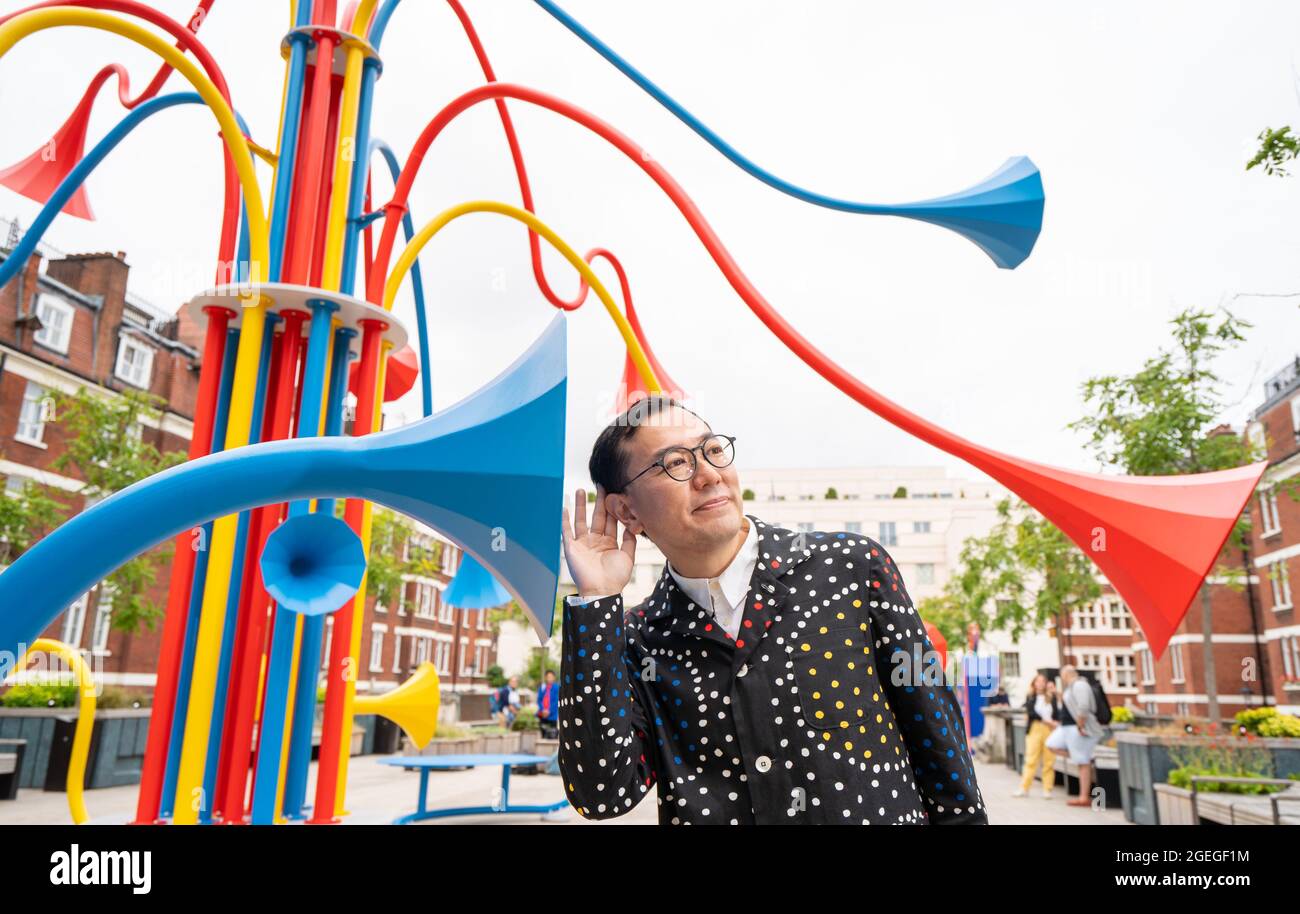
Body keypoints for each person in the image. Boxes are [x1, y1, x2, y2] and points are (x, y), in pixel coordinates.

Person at [558, 395, 986, 824]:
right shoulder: (637, 638)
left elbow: (940, 746)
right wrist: (597, 602)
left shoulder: (851, 568)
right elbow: (602, 794)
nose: (708, 475)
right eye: (675, 463)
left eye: (711, 451)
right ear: (626, 511)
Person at [1047, 665, 1105, 807]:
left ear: (1066, 674)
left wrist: (1080, 725)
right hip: (1066, 727)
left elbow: (1083, 706)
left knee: (1083, 763)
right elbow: (1069, 702)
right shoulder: (1072, 687)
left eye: (1062, 676)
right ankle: (1080, 757)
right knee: (1051, 744)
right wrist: (1056, 693)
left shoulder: (1079, 684)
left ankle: (1084, 797)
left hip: (1077, 728)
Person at [1012, 673, 1059, 798]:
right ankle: (1024, 788)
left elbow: (1057, 713)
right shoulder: (1030, 697)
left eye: (1043, 681)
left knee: (1049, 760)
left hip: (1049, 730)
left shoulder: (1051, 697)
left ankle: (1047, 789)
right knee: (1031, 759)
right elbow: (1031, 713)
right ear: (1034, 683)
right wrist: (1046, 720)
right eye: (1038, 681)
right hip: (1035, 728)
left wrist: (1054, 722)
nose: (1040, 683)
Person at [536, 669, 559, 739]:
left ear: (554, 678)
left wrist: (549, 711)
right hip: (543, 715)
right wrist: (543, 710)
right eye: (548, 677)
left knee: (552, 735)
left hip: (552, 715)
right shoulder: (542, 688)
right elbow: (539, 700)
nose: (549, 678)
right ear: (545, 678)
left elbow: (556, 701)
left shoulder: (557, 688)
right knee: (543, 734)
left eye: (551, 677)